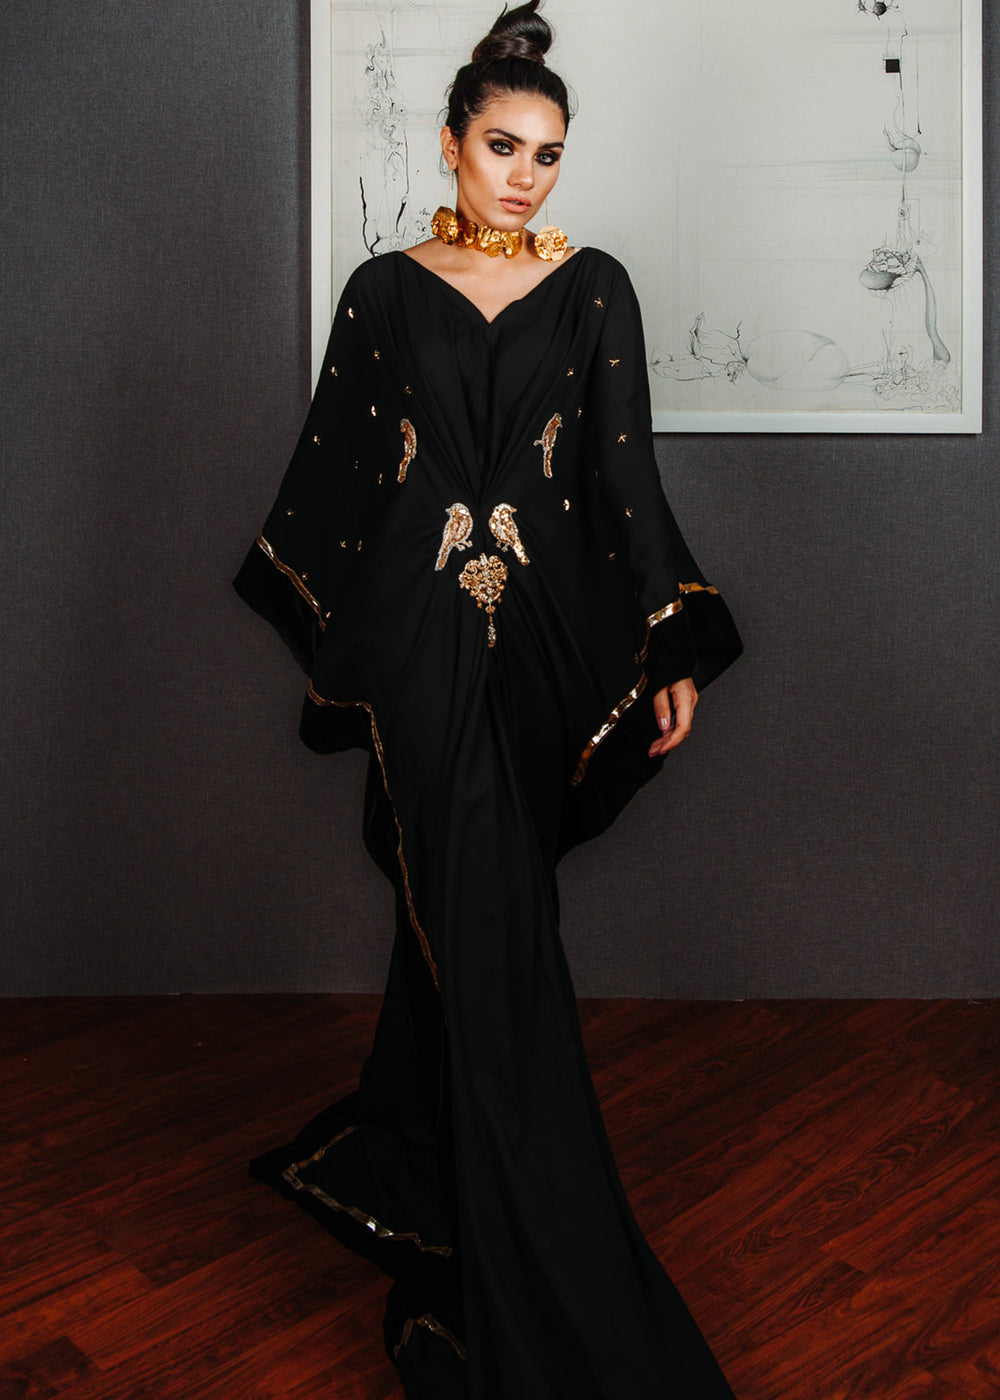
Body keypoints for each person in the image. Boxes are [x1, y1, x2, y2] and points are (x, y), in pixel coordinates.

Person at [234, 3, 743, 1394]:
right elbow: (336, 473)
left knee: (483, 915)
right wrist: (364, 625)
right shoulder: (384, 293)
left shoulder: (596, 289)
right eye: (503, 145)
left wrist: (671, 643)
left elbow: (625, 476)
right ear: (452, 142)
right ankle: (550, 1280)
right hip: (419, 642)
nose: (525, 174)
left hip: (542, 650)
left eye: (549, 153)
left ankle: (420, 1166)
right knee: (495, 934)